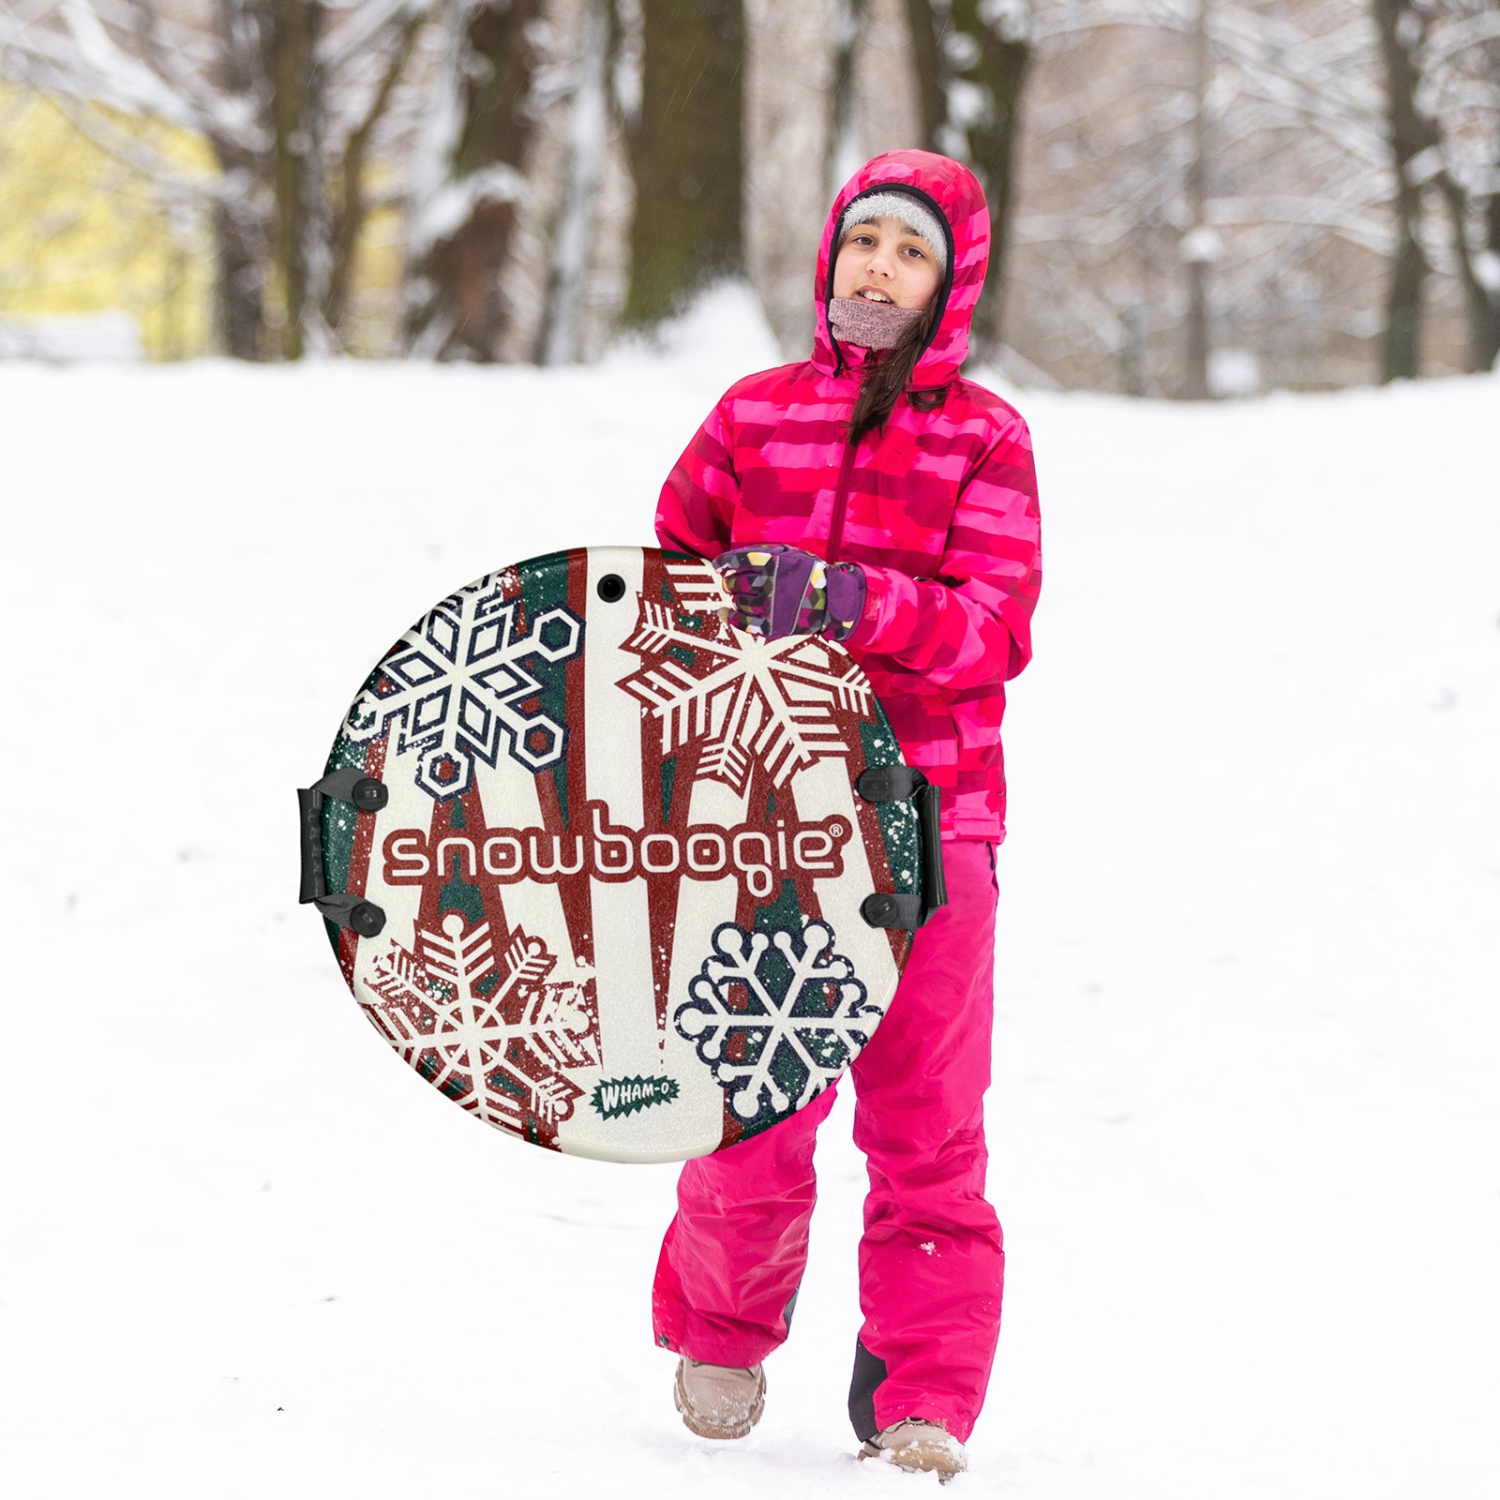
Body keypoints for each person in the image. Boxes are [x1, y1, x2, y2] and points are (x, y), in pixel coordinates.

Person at [650, 150, 1042, 1478]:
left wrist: (847, 602)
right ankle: (722, 1323)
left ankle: (922, 1388)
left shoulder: (984, 437)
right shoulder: (753, 417)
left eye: (911, 251)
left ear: (951, 285)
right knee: (754, 1098)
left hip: (933, 824)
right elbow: (666, 591)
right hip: (768, 818)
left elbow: (993, 629)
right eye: (863, 239)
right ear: (830, 258)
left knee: (928, 1128)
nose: (880, 265)